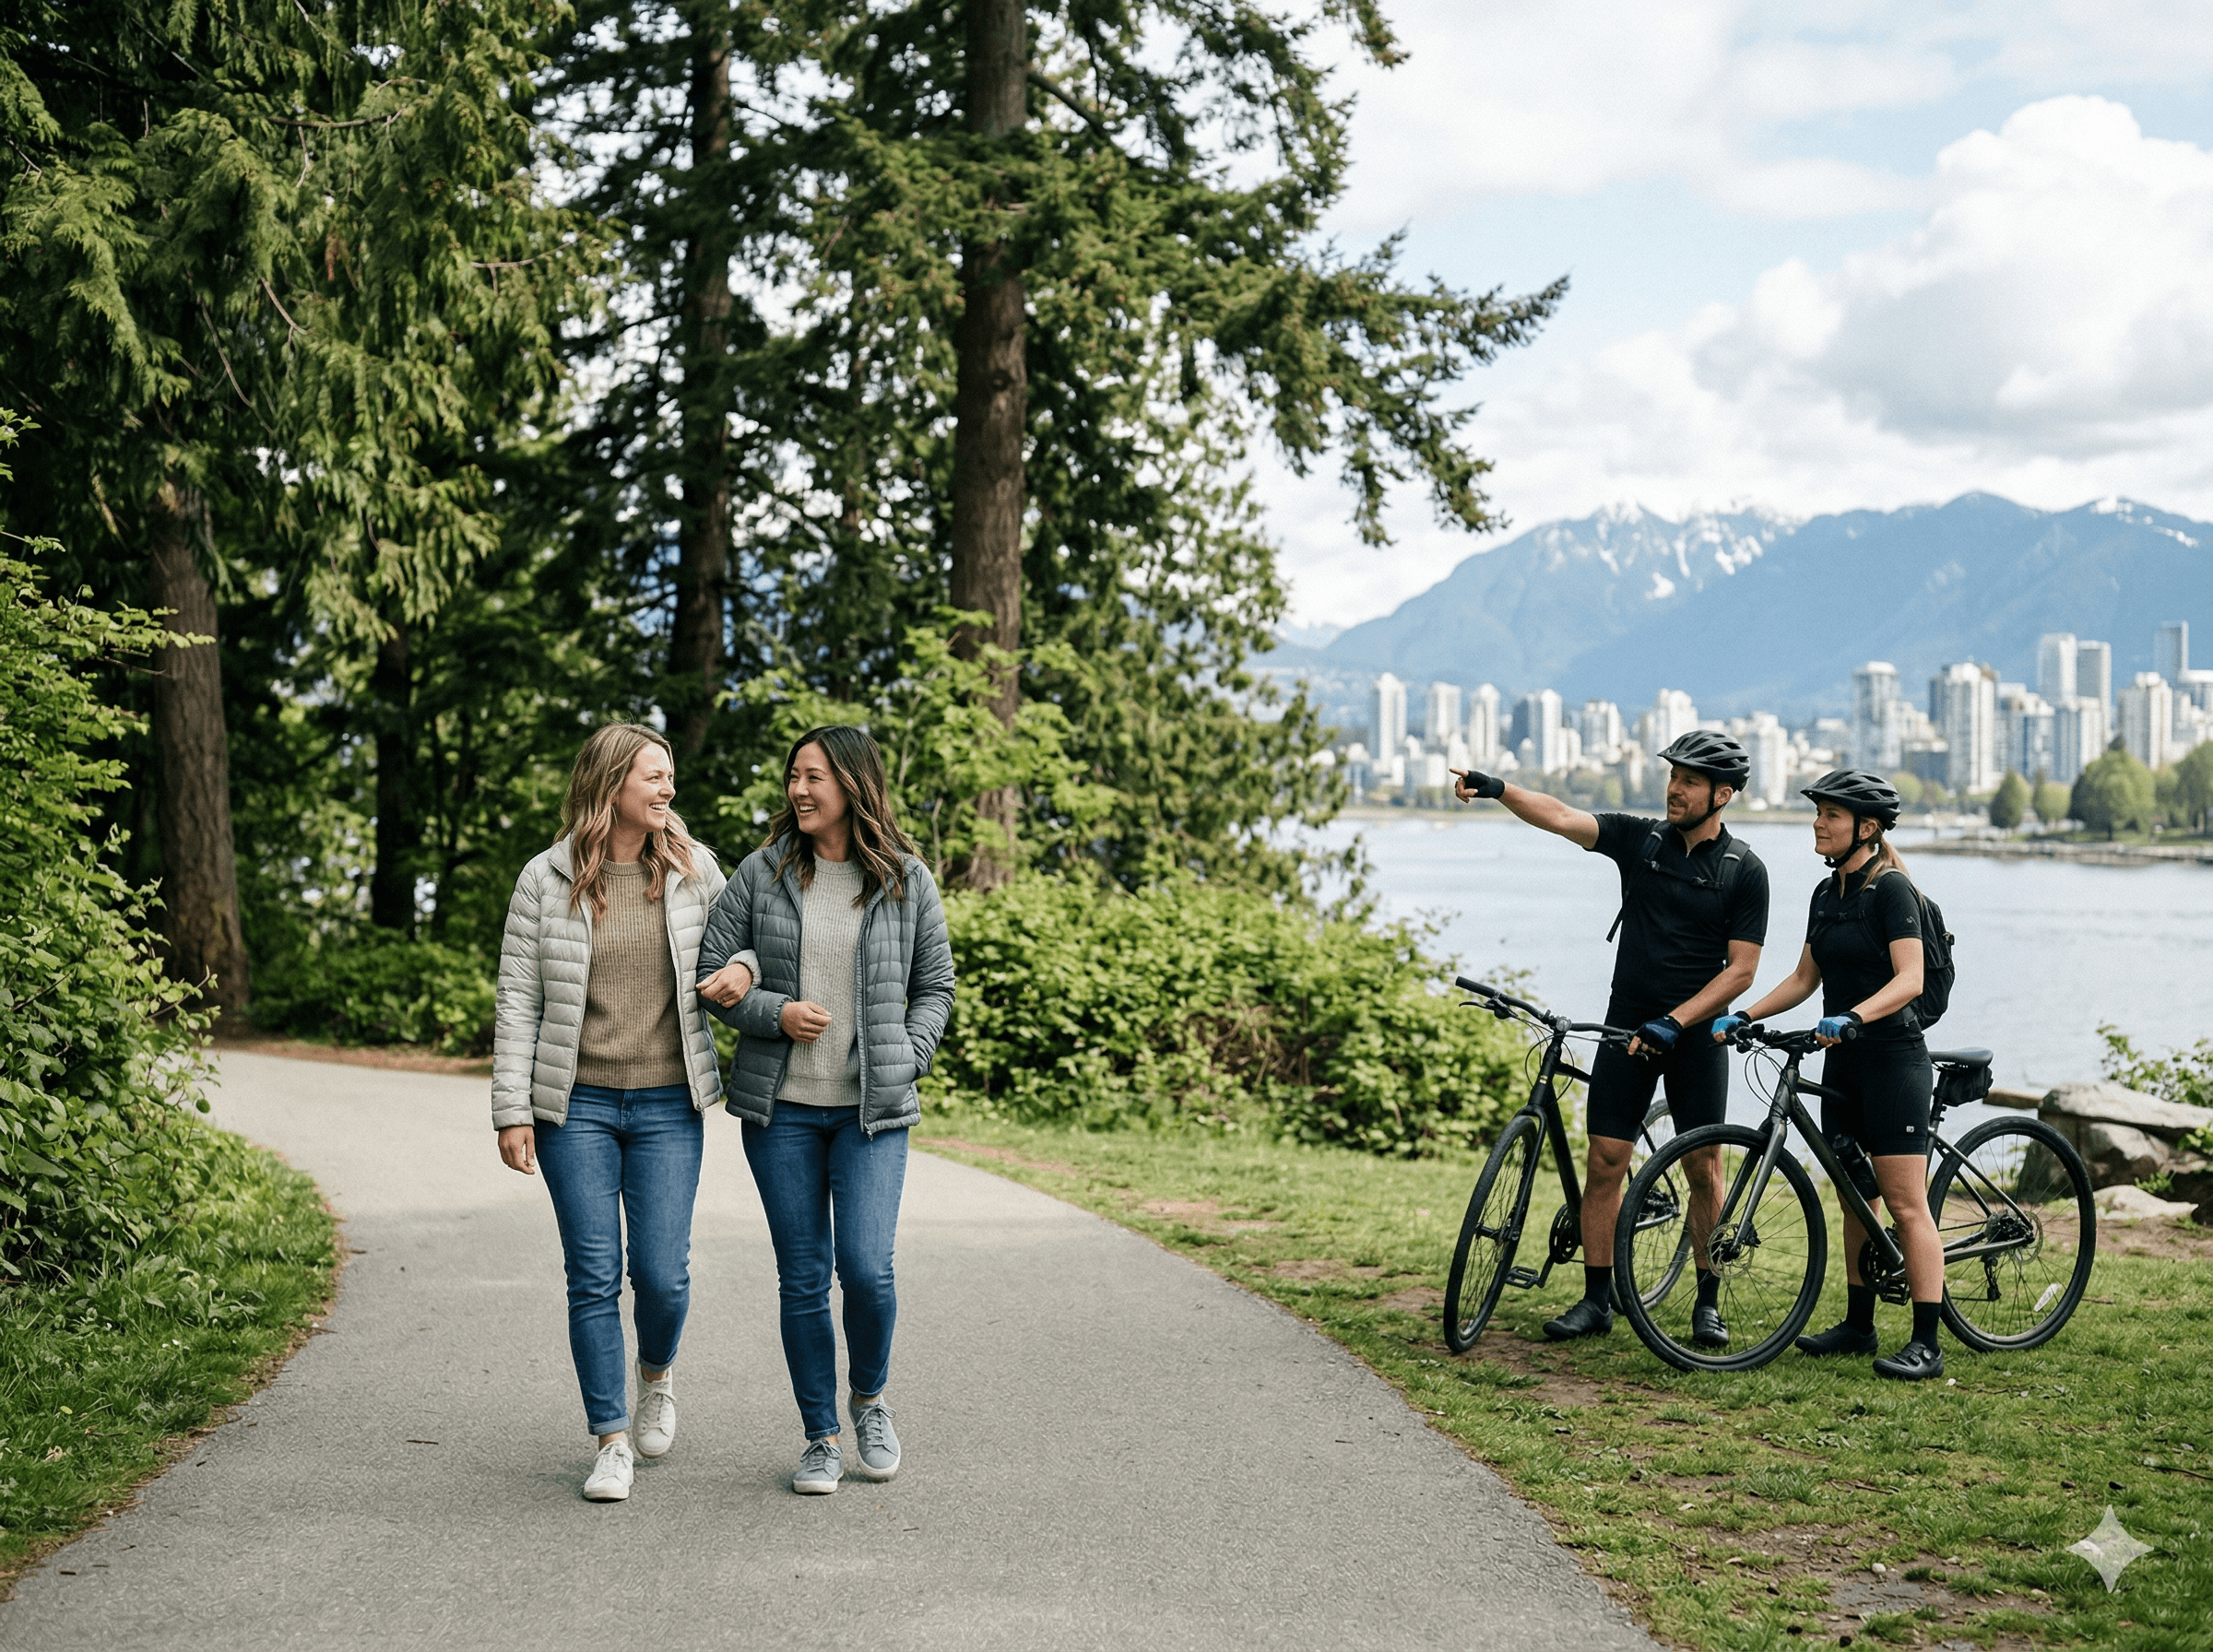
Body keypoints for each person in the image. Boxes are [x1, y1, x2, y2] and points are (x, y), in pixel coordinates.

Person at [491, 723, 760, 1502]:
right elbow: (518, 1002)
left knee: (663, 1276)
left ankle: (658, 1378)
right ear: (611, 782)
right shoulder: (544, 880)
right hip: (573, 1108)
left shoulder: (695, 868)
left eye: (669, 775)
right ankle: (610, 1439)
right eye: (653, 776)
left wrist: (741, 970)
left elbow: (750, 946)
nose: (667, 788)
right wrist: (513, 1110)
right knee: (594, 1276)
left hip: (670, 1103)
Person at [695, 726, 956, 1495]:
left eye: (813, 777)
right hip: (781, 1114)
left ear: (852, 784)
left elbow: (934, 986)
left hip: (870, 1113)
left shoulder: (907, 880)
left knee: (868, 1271)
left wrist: (909, 1056)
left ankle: (870, 1401)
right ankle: (819, 1435)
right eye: (793, 777)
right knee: (803, 1279)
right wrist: (775, 1013)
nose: (798, 790)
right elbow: (713, 975)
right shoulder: (762, 872)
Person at [1454, 731, 1768, 1348]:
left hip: (1696, 1036)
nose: (1674, 788)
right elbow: (1563, 816)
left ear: (1722, 794)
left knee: (1705, 1165)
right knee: (1606, 1160)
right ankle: (1597, 1299)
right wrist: (1497, 789)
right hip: (1627, 1024)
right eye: (1673, 776)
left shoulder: (1744, 871)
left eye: (1690, 780)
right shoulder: (1641, 838)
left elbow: (1742, 972)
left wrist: (1676, 1022)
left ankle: (1708, 1298)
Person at [1712, 768, 1946, 1381]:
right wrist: (1743, 1015)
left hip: (1893, 1061)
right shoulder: (1827, 895)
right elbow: (1803, 980)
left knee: (1906, 1203)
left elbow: (1910, 979)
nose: (1818, 823)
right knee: (1853, 1197)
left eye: (1830, 816)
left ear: (1865, 828)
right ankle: (1859, 1324)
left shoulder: (1891, 890)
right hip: (1843, 1062)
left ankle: (1927, 1341)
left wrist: (1852, 1016)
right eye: (1818, 814)